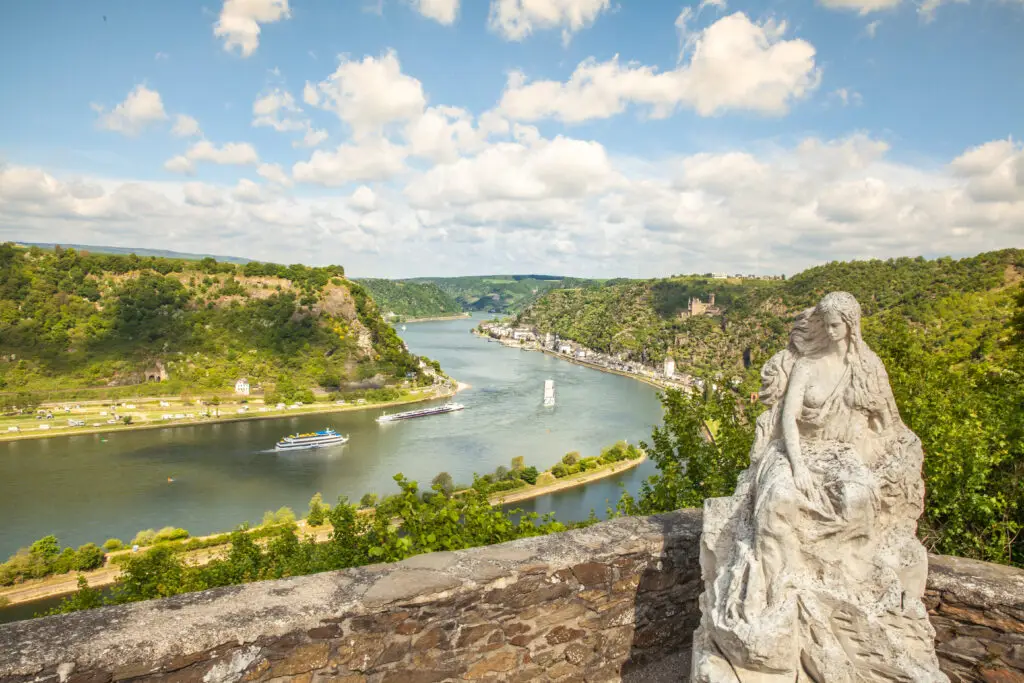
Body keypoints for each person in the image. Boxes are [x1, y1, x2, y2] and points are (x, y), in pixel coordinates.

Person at [692, 292, 947, 682]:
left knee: (858, 499)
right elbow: (789, 421)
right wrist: (798, 466)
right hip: (796, 451)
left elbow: (888, 421)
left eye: (836, 325)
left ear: (851, 325)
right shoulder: (808, 365)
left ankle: (853, 583)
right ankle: (775, 592)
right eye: (824, 325)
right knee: (778, 500)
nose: (830, 332)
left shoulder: (868, 367)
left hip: (842, 455)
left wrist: (892, 457)